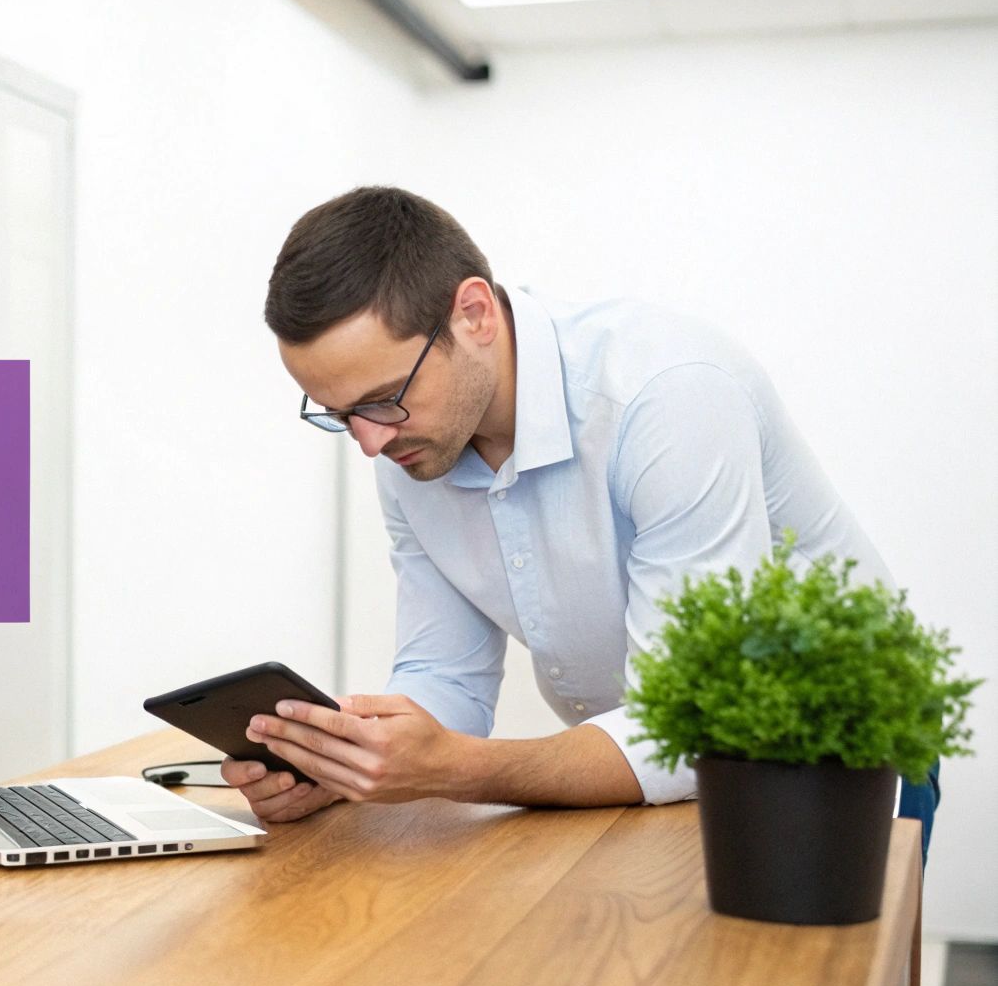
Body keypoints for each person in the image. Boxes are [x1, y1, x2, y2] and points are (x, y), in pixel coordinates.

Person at [224, 186, 940, 855]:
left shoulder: (668, 396)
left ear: (473, 315)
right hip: (660, 781)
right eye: (340, 413)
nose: (370, 442)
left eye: (383, 399)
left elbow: (685, 730)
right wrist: (348, 761)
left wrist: (459, 770)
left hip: (834, 755)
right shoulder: (412, 447)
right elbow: (447, 680)